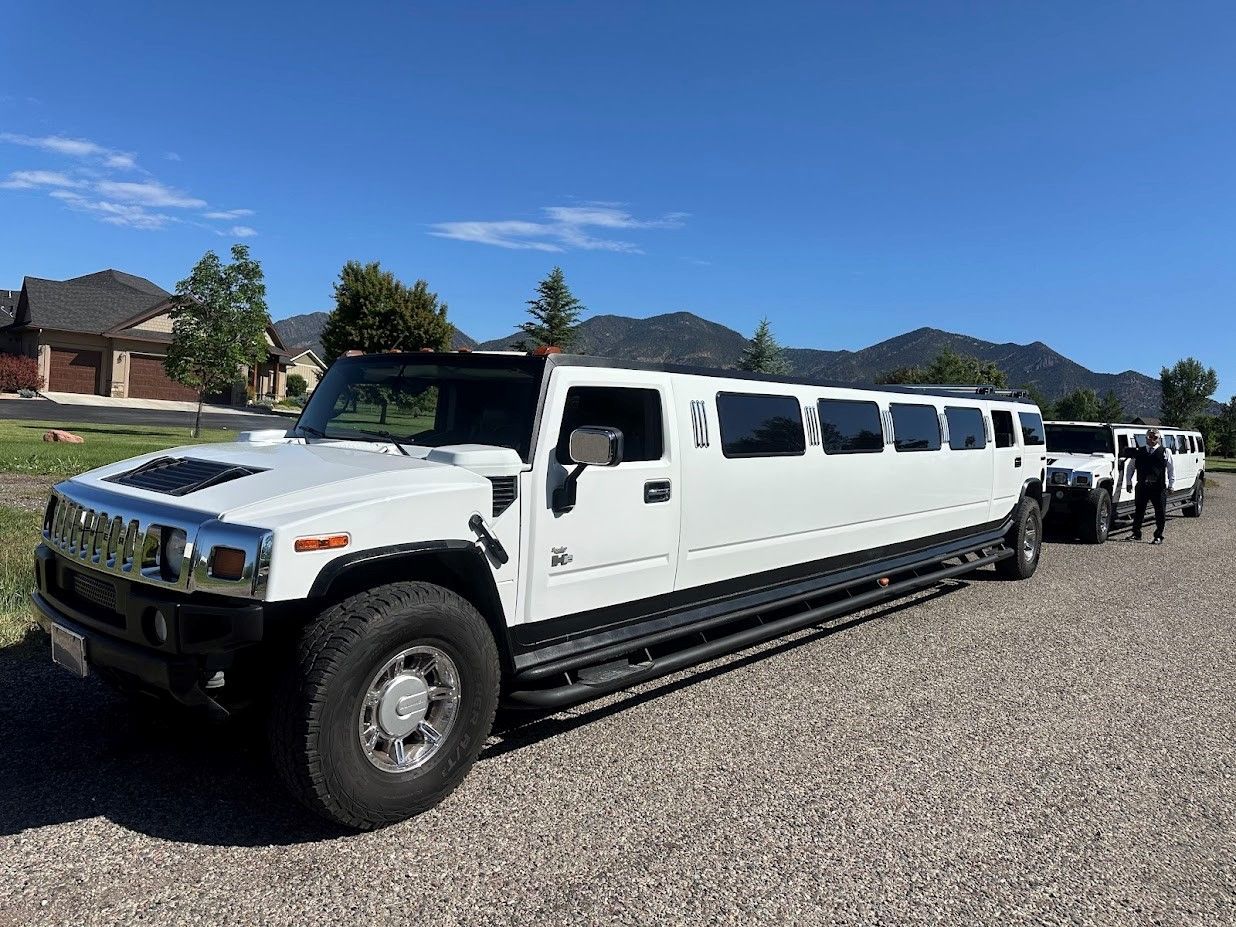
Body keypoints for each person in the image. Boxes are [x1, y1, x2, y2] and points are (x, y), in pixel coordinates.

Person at [1121, 427, 1174, 544]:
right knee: (1139, 510)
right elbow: (1131, 467)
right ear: (1146, 438)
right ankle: (1136, 533)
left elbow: (1170, 469)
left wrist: (1171, 485)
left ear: (1159, 439)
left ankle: (1158, 535)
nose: (1152, 440)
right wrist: (1129, 482)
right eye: (1150, 437)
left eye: (1155, 437)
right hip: (1142, 486)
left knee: (1160, 512)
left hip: (1158, 487)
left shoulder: (1165, 452)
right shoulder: (1139, 451)